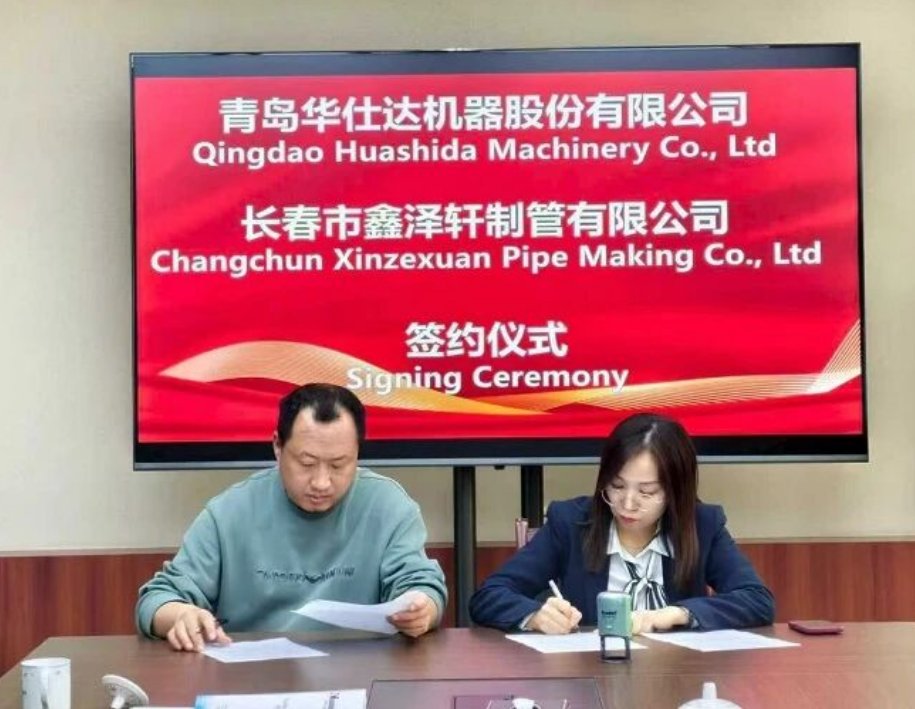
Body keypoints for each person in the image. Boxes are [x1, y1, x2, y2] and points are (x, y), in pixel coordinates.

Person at [136, 383, 447, 651]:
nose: (321, 482)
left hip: (360, 674)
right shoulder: (229, 512)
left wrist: (422, 610)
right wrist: (180, 615)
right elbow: (157, 598)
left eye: (339, 465)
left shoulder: (389, 506)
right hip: (251, 681)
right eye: (307, 463)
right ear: (277, 446)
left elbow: (422, 587)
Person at [469, 413, 774, 634]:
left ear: (676, 491)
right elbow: (489, 595)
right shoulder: (571, 523)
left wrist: (679, 614)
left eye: (647, 492)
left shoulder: (702, 525)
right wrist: (535, 616)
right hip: (590, 676)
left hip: (677, 677)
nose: (627, 503)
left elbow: (757, 600)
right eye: (616, 486)